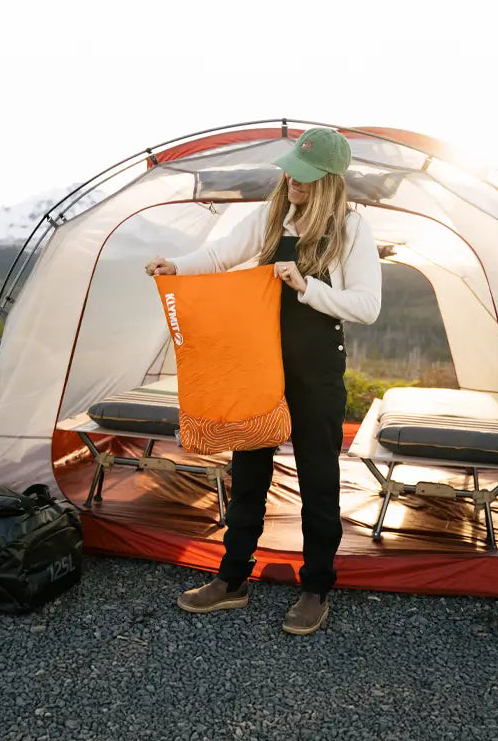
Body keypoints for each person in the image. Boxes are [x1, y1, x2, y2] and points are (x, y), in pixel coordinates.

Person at [145, 128, 382, 635]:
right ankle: (233, 580)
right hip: (259, 362)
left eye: (306, 175)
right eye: (292, 168)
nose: (293, 180)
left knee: (319, 478)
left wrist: (307, 286)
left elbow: (368, 306)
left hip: (316, 369)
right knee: (248, 469)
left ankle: (316, 587)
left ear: (331, 181)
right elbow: (219, 256)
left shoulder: (352, 228)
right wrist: (176, 267)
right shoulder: (272, 215)